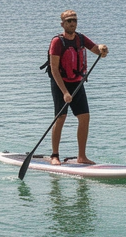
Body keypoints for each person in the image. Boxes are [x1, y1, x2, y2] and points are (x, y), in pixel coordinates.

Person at [46, 10, 109, 165]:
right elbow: (54, 69)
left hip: (77, 82)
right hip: (60, 82)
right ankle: (55, 155)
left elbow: (96, 50)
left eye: (74, 20)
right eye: (68, 21)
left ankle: (82, 156)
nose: (72, 23)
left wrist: (102, 49)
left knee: (84, 117)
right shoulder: (57, 42)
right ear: (62, 24)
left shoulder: (80, 38)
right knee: (61, 117)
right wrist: (65, 92)